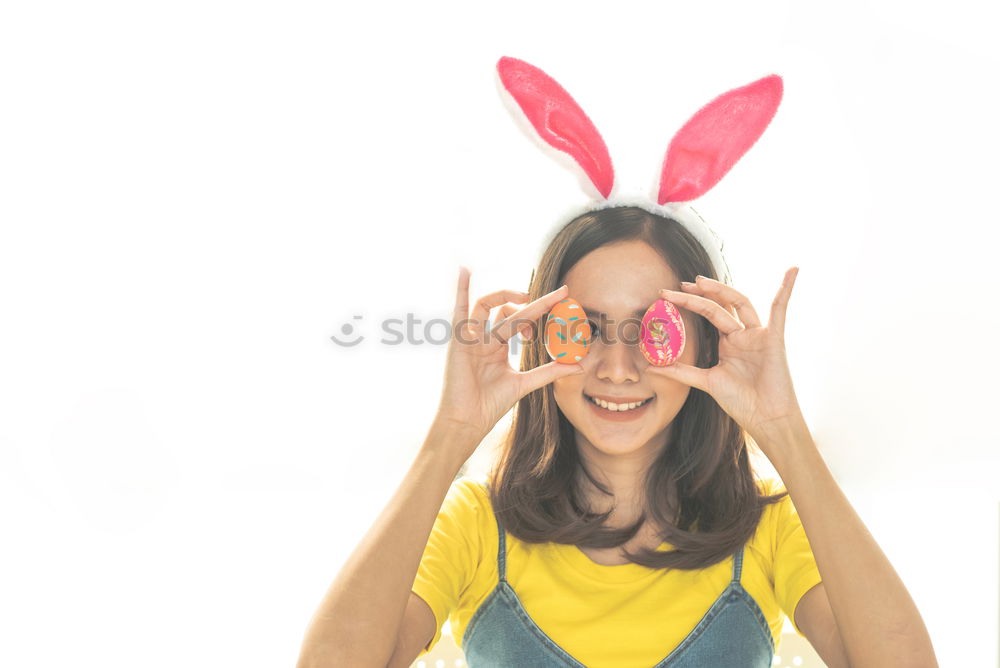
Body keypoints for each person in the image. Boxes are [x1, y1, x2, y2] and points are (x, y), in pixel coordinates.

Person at [295, 58, 938, 668]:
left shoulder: (764, 526)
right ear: (544, 339)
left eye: (653, 331)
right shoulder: (476, 525)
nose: (618, 368)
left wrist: (785, 432)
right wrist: (450, 435)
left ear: (706, 342)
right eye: (585, 329)